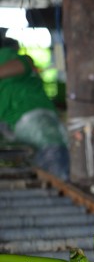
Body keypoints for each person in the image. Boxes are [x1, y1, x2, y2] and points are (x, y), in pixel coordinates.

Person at [0, 37, 69, 180]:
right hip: (29, 119)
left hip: (29, 120)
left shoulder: (16, 60)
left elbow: (24, 63)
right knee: (54, 156)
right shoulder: (9, 55)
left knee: (53, 158)